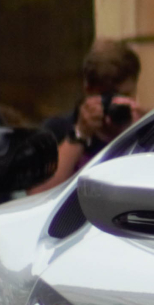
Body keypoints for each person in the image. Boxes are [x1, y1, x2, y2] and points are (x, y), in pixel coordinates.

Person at [35, 39, 144, 192]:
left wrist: (136, 133)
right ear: (87, 89)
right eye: (107, 97)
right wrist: (80, 134)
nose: (114, 105)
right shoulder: (56, 130)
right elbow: (38, 193)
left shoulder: (146, 130)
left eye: (124, 96)